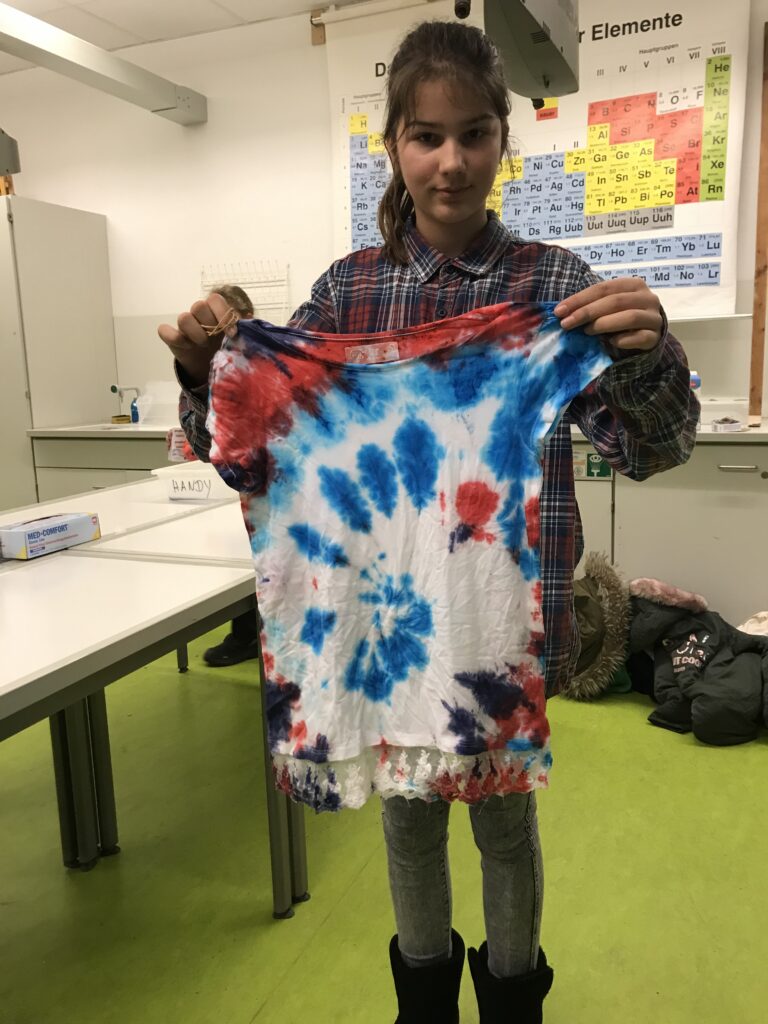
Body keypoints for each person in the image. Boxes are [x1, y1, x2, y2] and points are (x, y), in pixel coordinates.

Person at [159, 20, 697, 1023]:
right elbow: (246, 449)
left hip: (499, 627)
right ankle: (424, 1006)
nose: (451, 161)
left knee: (503, 828)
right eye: (427, 136)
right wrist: (203, 375)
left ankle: (513, 1002)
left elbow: (651, 448)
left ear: (503, 141)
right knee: (406, 824)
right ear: (395, 146)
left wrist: (647, 356)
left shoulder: (551, 287)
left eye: (474, 134)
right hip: (385, 626)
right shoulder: (345, 295)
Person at [202, 285, 262, 667]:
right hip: (231, 478)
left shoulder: (268, 355)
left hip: (265, 482)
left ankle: (250, 635)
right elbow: (200, 436)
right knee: (242, 555)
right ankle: (245, 634)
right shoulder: (210, 363)